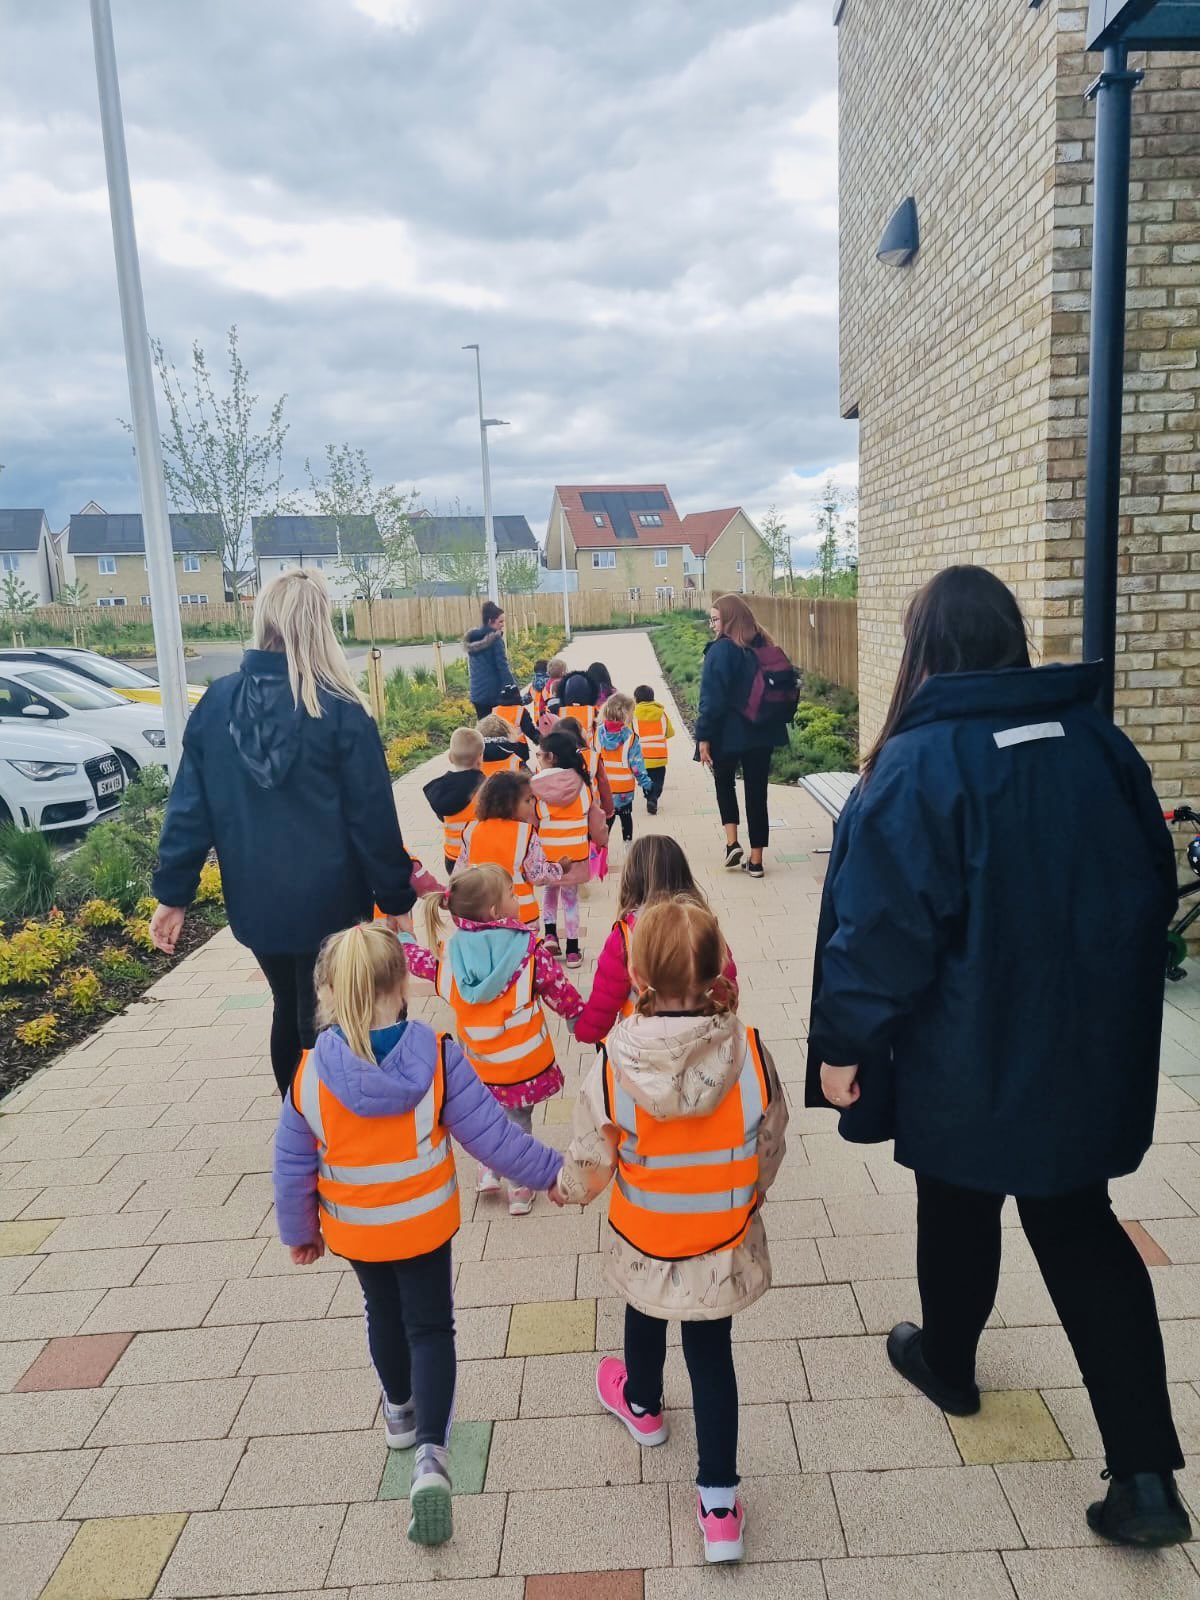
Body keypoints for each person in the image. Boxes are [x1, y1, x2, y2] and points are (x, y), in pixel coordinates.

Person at [806, 564, 1190, 1549]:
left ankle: (949, 1360)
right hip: (1085, 1046)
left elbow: (881, 925)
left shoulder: (920, 763)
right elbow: (1154, 887)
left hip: (965, 1049)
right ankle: (1145, 1474)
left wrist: (845, 1044)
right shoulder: (1098, 744)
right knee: (1078, 1225)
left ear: (925, 647)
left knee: (958, 1196)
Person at [272, 921, 561, 1545]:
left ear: (326, 991)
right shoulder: (435, 1055)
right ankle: (432, 1455)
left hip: (357, 1232)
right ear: (401, 984)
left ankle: (399, 1413)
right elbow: (494, 1136)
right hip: (425, 1223)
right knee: (431, 1326)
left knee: (381, 1310)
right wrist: (552, 1174)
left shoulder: (309, 1075)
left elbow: (292, 1161)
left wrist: (300, 1231)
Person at [554, 899, 788, 1565]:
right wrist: (755, 1192)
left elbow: (593, 1160)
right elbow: (769, 1136)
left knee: (643, 1313)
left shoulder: (612, 1063)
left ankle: (643, 1403)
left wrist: (568, 1190)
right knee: (712, 1358)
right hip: (720, 1237)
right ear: (717, 969)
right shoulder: (747, 1049)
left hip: (645, 1233)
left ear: (637, 978)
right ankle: (720, 1507)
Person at [151, 569, 415, 1097]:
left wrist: (172, 896)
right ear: (320, 625)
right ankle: (338, 1124)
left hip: (256, 899)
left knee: (287, 1005)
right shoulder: (341, 709)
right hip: (334, 900)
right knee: (329, 1008)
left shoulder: (217, 705)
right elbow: (371, 816)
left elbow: (189, 808)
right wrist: (395, 895)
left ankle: (301, 1121)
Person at [403, 866, 583, 1215]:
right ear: (497, 912)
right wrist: (579, 1018)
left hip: (479, 1062)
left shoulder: (454, 957)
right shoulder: (528, 950)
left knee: (488, 1117)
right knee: (518, 1121)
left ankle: (488, 1168)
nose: (519, 897)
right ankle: (519, 1186)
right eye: (513, 894)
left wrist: (405, 940)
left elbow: (425, 966)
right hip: (523, 1062)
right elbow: (558, 988)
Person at [575, 836, 739, 1045]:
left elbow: (603, 1004)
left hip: (641, 1051)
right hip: (703, 1045)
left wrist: (585, 1030)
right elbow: (727, 987)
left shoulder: (626, 937)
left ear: (632, 881)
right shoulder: (704, 926)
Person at [695, 594, 790, 878]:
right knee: (757, 793)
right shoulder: (765, 644)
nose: (712, 625)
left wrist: (703, 737)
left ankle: (732, 843)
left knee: (724, 783)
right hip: (763, 733)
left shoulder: (721, 650)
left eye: (715, 619)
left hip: (729, 734)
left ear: (729, 618)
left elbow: (711, 700)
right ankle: (757, 860)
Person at [530, 730, 608, 967]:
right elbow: (596, 819)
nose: (537, 758)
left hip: (547, 854)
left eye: (539, 754)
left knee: (549, 892)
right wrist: (600, 841)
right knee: (571, 900)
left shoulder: (534, 786)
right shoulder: (583, 787)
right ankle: (573, 951)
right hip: (574, 853)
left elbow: (532, 819)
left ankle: (551, 935)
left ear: (550, 757)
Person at [458, 769, 564, 925]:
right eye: (528, 800)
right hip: (520, 915)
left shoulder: (471, 831)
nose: (532, 804)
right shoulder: (525, 833)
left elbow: (460, 872)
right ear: (509, 804)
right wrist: (560, 868)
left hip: (481, 914)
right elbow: (537, 875)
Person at [422, 728, 486, 877]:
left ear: (450, 758)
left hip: (452, 857)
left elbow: (443, 816)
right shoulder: (485, 787)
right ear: (480, 759)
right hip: (480, 855)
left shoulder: (441, 791)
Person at [596, 692, 653, 844]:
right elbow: (637, 765)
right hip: (624, 790)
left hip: (602, 789)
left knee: (607, 819)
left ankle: (601, 850)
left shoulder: (597, 734)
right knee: (626, 818)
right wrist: (646, 784)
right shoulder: (631, 737)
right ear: (626, 714)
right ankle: (628, 848)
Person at [463, 601, 513, 719]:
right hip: (493, 694)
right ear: (491, 621)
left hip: (477, 694)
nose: (503, 624)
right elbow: (502, 667)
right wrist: (512, 688)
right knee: (496, 730)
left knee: (483, 729)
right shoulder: (495, 640)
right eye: (500, 621)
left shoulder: (472, 639)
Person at [633, 684, 674, 814]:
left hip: (641, 757)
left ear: (636, 699)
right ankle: (653, 798)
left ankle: (649, 796)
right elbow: (670, 733)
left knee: (646, 779)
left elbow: (629, 734)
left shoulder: (633, 715)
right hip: (659, 756)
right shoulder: (662, 714)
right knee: (658, 780)